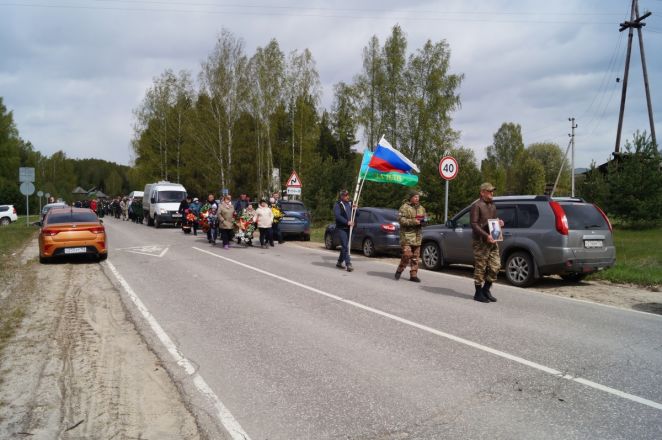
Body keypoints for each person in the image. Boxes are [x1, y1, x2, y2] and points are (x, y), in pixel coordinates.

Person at [470, 182, 503, 303]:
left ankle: (486, 289)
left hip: (492, 239)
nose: (492, 193)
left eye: (492, 191)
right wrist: (486, 235)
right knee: (481, 267)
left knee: (496, 266)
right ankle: (478, 293)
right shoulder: (477, 206)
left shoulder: (492, 206)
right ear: (482, 192)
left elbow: (492, 221)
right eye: (489, 191)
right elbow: (473, 225)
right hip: (480, 241)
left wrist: (499, 223)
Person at [395, 190, 426, 282]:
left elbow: (425, 218)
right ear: (411, 198)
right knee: (407, 254)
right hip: (406, 236)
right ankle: (400, 269)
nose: (417, 198)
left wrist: (424, 222)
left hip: (417, 236)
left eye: (418, 197)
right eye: (415, 197)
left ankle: (413, 275)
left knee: (416, 257)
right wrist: (413, 221)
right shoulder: (404, 207)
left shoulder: (422, 208)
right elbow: (401, 220)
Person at [333, 189, 354, 272]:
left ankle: (339, 262)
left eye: (348, 195)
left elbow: (357, 213)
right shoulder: (338, 204)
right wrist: (347, 222)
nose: (347, 196)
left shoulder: (350, 204)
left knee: (344, 247)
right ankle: (348, 264)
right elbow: (337, 216)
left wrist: (356, 208)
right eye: (345, 195)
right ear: (341, 196)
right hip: (341, 228)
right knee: (345, 246)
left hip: (349, 228)